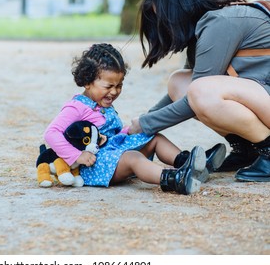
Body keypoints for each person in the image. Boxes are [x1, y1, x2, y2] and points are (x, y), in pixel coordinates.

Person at [129, 0, 270, 182]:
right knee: (179, 82)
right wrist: (139, 125)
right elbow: (181, 94)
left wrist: (146, 124)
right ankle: (247, 149)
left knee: (202, 92)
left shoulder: (220, 23)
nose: (161, 26)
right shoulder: (204, 29)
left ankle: (267, 148)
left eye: (162, 18)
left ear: (177, 10)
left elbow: (195, 99)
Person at [44, 43, 216, 195]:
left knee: (153, 137)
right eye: (109, 86)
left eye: (119, 85)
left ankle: (189, 164)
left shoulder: (101, 103)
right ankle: (174, 179)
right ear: (87, 82)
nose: (114, 91)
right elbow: (51, 133)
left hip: (114, 153)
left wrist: (127, 132)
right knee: (133, 157)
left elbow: (110, 134)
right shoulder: (77, 107)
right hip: (96, 165)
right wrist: (76, 156)